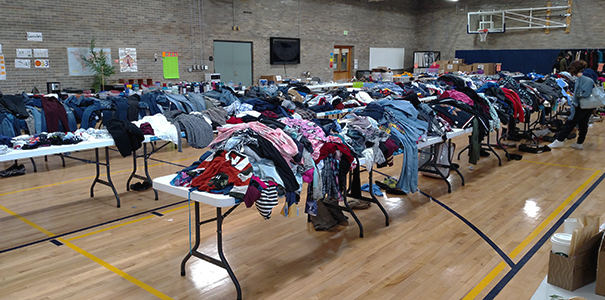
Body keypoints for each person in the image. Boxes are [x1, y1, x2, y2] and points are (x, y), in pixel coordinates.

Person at [548, 60, 598, 150]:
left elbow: (585, 92)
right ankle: (579, 143)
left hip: (582, 104)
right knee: (583, 124)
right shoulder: (590, 72)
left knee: (571, 122)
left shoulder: (584, 77)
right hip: (590, 104)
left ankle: (559, 140)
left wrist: (578, 95)